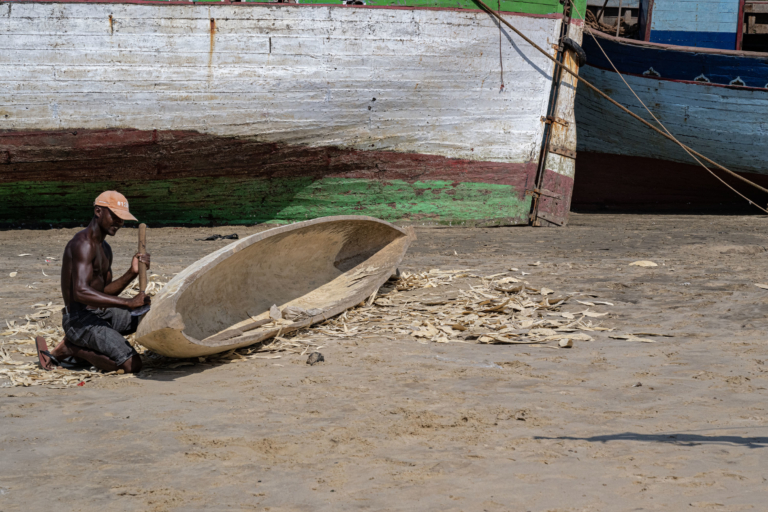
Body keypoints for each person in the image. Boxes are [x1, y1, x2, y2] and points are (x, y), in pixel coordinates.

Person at [35, 191, 151, 373]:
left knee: (150, 315)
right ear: (98, 211)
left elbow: (104, 293)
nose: (119, 223)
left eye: (122, 219)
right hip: (78, 320)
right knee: (131, 365)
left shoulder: (105, 248)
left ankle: (88, 345)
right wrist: (128, 302)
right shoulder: (83, 244)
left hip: (100, 313)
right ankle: (72, 349)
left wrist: (132, 273)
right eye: (115, 217)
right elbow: (80, 292)